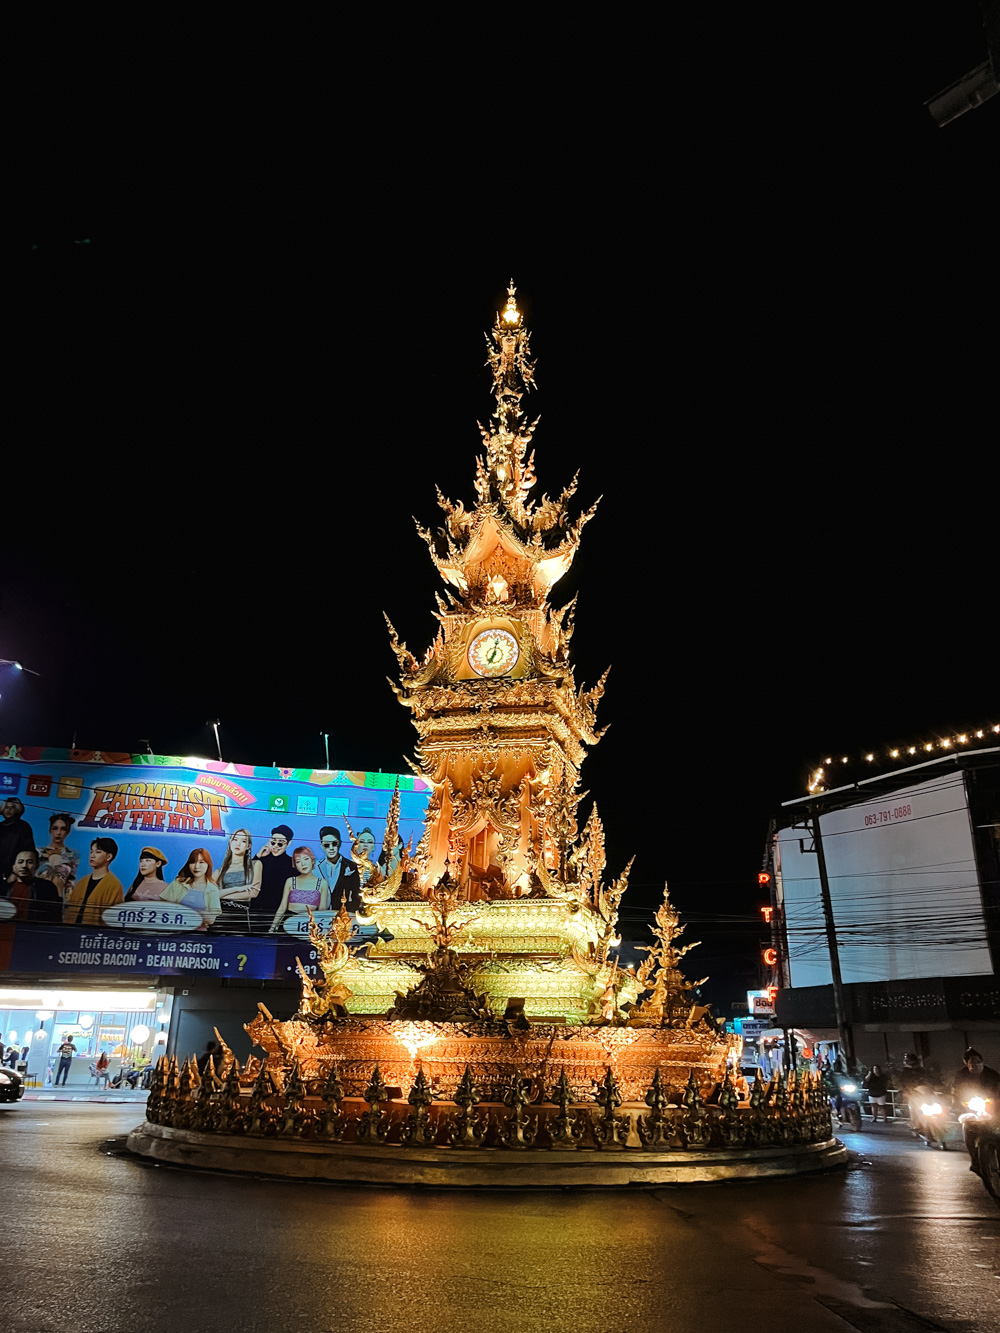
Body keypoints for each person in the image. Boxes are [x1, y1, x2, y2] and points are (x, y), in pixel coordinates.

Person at [953, 1048, 1000, 1178]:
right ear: (967, 1064)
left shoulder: (992, 1074)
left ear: (982, 1061)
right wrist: (959, 1103)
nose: (975, 1065)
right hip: (971, 1110)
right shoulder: (962, 1075)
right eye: (971, 1063)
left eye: (977, 1062)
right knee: (967, 1129)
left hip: (993, 1109)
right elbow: (956, 1092)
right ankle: (974, 1160)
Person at [63, 838, 125, 926]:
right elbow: (69, 914)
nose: (92, 855)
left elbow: (112, 919)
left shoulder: (114, 885)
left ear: (109, 857)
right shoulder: (81, 883)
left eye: (98, 852)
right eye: (91, 851)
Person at [268, 847, 329, 932]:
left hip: (309, 926)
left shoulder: (322, 883)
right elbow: (282, 907)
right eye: (298, 861)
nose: (303, 864)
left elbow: (322, 911)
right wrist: (272, 927)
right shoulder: (290, 881)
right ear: (295, 865)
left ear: (312, 861)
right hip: (288, 923)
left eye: (306, 859)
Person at [161, 849, 221, 929]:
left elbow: (210, 920)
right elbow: (164, 907)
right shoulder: (179, 883)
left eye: (201, 862)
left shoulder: (213, 889)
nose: (196, 866)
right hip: (175, 931)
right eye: (193, 862)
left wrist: (186, 910)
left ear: (208, 865)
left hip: (199, 934)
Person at [214, 829, 262, 917]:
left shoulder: (255, 864)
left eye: (243, 841)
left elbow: (253, 892)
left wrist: (221, 895)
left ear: (248, 846)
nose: (238, 844)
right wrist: (237, 889)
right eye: (235, 839)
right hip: (220, 914)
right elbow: (209, 894)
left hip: (242, 913)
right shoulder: (219, 871)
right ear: (230, 842)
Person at [7, 848, 63, 923]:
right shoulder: (4, 888)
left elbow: (54, 916)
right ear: (14, 866)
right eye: (20, 862)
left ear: (36, 865)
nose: (24, 866)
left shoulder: (47, 887)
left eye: (30, 862)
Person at [253, 824, 295, 921]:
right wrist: (258, 856)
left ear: (288, 843)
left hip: (277, 913)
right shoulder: (261, 859)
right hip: (255, 910)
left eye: (280, 843)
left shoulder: (291, 864)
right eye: (273, 842)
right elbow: (246, 874)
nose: (276, 846)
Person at [315, 827, 360, 910]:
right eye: (327, 845)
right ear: (322, 846)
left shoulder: (351, 866)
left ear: (339, 843)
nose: (331, 848)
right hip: (320, 915)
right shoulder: (315, 867)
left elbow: (356, 894)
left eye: (334, 844)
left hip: (344, 914)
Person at [35, 812, 81, 894]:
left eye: (63, 829)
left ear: (68, 832)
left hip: (58, 898)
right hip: (38, 897)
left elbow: (70, 882)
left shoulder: (73, 854)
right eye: (55, 828)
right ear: (50, 830)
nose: (58, 832)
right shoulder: (38, 852)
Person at [0, 797, 36, 884]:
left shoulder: (23, 827)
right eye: (6, 807)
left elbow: (28, 851)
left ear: (17, 810)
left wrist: (15, 873)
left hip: (13, 873)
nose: (8, 810)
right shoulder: (0, 826)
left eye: (12, 807)